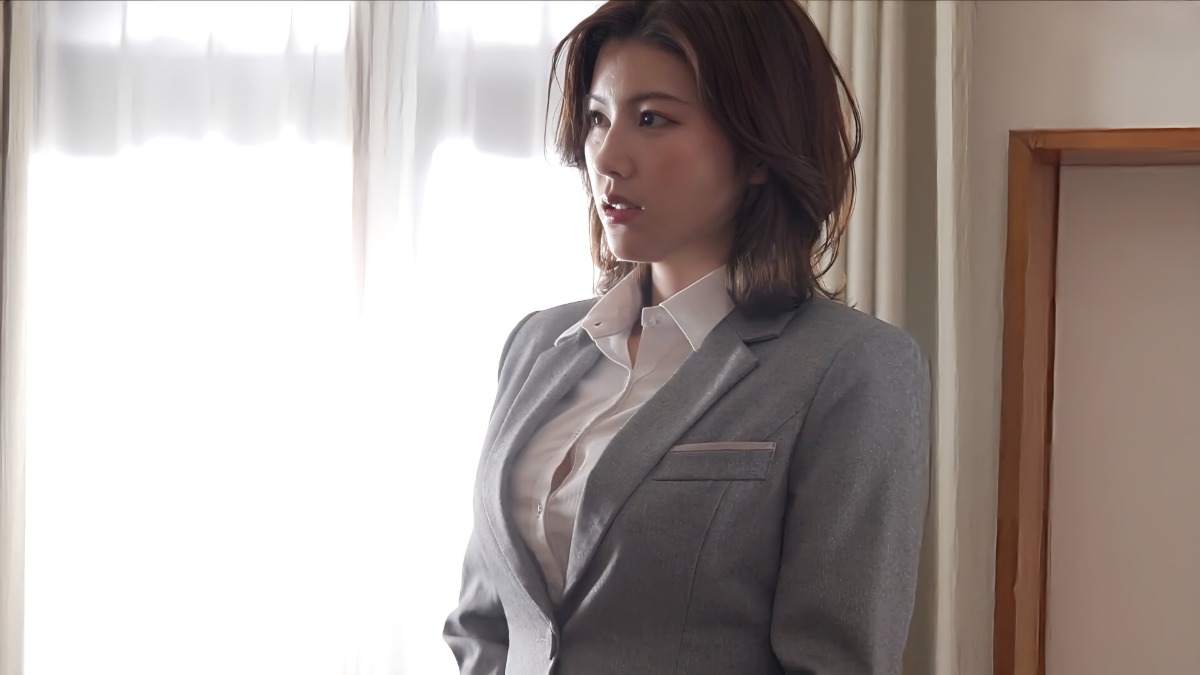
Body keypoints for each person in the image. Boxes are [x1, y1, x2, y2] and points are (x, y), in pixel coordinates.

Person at [444, 1, 930, 673]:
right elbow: (484, 623)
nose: (607, 157)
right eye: (597, 118)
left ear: (757, 149)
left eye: (652, 119)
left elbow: (833, 660)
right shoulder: (536, 344)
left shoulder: (853, 367)